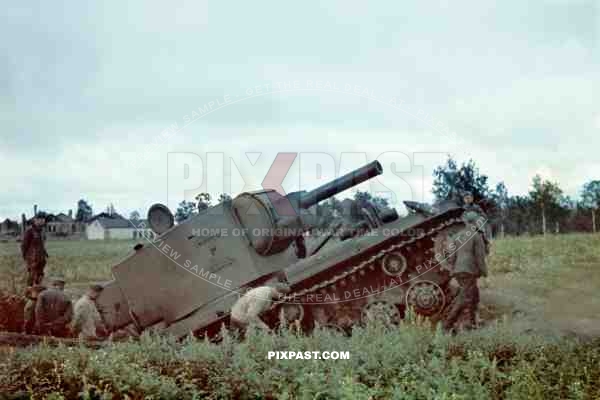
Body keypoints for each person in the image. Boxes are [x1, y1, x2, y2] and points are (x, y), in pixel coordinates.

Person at [443, 211, 488, 333]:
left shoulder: (457, 236)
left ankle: (471, 322)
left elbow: (451, 257)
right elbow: (480, 257)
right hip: (469, 270)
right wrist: (484, 272)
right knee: (464, 298)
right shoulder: (476, 236)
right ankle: (447, 325)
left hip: (458, 270)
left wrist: (453, 268)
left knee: (473, 295)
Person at [21, 213, 49, 286]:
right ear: (35, 220)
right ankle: (28, 291)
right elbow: (24, 245)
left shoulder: (42, 231)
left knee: (40, 275)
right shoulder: (29, 231)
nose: (42, 221)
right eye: (40, 219)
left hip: (41, 257)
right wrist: (25, 257)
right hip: (32, 258)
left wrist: (45, 253)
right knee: (32, 274)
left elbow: (42, 244)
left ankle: (37, 291)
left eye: (43, 220)